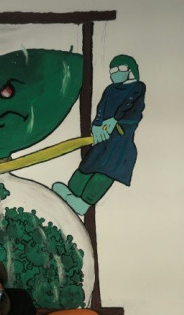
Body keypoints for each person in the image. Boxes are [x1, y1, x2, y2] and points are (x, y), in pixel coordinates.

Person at [53, 54, 146, 215]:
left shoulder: (137, 86)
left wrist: (114, 120)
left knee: (107, 170)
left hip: (120, 138)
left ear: (130, 70)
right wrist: (96, 126)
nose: (116, 72)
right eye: (113, 70)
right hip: (102, 137)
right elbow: (101, 109)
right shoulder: (110, 89)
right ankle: (71, 192)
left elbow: (128, 105)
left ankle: (84, 202)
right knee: (88, 165)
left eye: (121, 68)